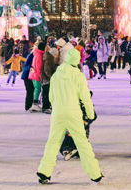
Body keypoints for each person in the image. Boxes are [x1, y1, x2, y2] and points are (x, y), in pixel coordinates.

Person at [37, 48, 102, 184]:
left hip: (58, 114)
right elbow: (85, 98)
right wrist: (90, 115)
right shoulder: (78, 76)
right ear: (77, 60)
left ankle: (44, 171)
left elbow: (51, 97)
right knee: (82, 143)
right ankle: (95, 174)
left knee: (53, 142)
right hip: (73, 113)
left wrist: (58, 109)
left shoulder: (56, 75)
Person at [41, 39, 59, 114]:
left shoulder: (48, 57)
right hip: (46, 78)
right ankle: (46, 107)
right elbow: (47, 70)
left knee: (46, 92)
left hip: (45, 78)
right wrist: (52, 77)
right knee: (47, 93)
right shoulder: (49, 59)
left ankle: (46, 106)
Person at [26, 42, 45, 112]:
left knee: (37, 89)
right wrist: (41, 76)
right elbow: (38, 67)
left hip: (34, 74)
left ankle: (35, 103)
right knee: (37, 89)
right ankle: (35, 103)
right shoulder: (39, 55)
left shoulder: (37, 54)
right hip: (36, 74)